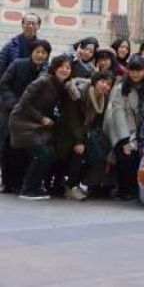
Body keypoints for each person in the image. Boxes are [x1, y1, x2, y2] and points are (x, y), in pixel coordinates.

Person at [9, 54, 73, 200]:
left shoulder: (60, 85)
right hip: (22, 122)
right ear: (54, 68)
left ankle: (35, 186)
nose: (65, 70)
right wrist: (41, 118)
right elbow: (24, 103)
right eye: (61, 67)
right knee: (42, 154)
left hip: (38, 125)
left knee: (50, 153)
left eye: (68, 68)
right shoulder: (43, 81)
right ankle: (27, 189)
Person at [103, 55, 144, 200]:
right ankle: (123, 189)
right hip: (121, 127)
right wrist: (125, 139)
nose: (135, 74)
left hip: (143, 128)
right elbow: (117, 113)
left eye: (138, 71)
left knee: (140, 155)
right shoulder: (121, 87)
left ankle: (135, 189)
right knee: (124, 154)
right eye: (132, 71)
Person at [0, 39, 52, 193]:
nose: (40, 55)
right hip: (11, 111)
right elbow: (3, 84)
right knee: (8, 147)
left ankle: (20, 181)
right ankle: (8, 182)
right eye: (37, 51)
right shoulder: (17, 64)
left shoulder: (45, 71)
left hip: (30, 115)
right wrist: (14, 103)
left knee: (25, 149)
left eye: (44, 53)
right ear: (31, 52)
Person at [56, 70, 114, 200]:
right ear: (94, 82)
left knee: (99, 155)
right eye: (102, 82)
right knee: (80, 152)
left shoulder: (104, 97)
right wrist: (78, 141)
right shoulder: (79, 94)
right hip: (67, 132)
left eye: (109, 84)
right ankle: (70, 185)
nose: (105, 86)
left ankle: (75, 183)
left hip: (85, 132)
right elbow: (73, 119)